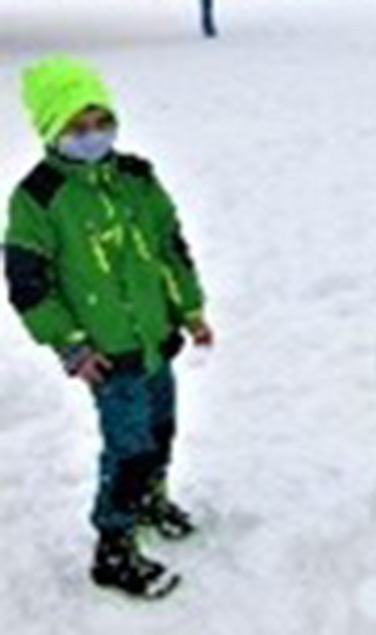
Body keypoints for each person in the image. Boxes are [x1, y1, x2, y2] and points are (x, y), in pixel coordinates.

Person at [4, 57, 214, 597]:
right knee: (129, 447)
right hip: (107, 354)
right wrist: (70, 346)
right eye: (77, 126)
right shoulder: (38, 199)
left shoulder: (136, 178)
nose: (93, 135)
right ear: (53, 130)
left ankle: (150, 499)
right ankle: (113, 549)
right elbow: (29, 285)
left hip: (154, 342)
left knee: (161, 430)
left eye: (102, 122)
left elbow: (170, 246)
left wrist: (188, 309)